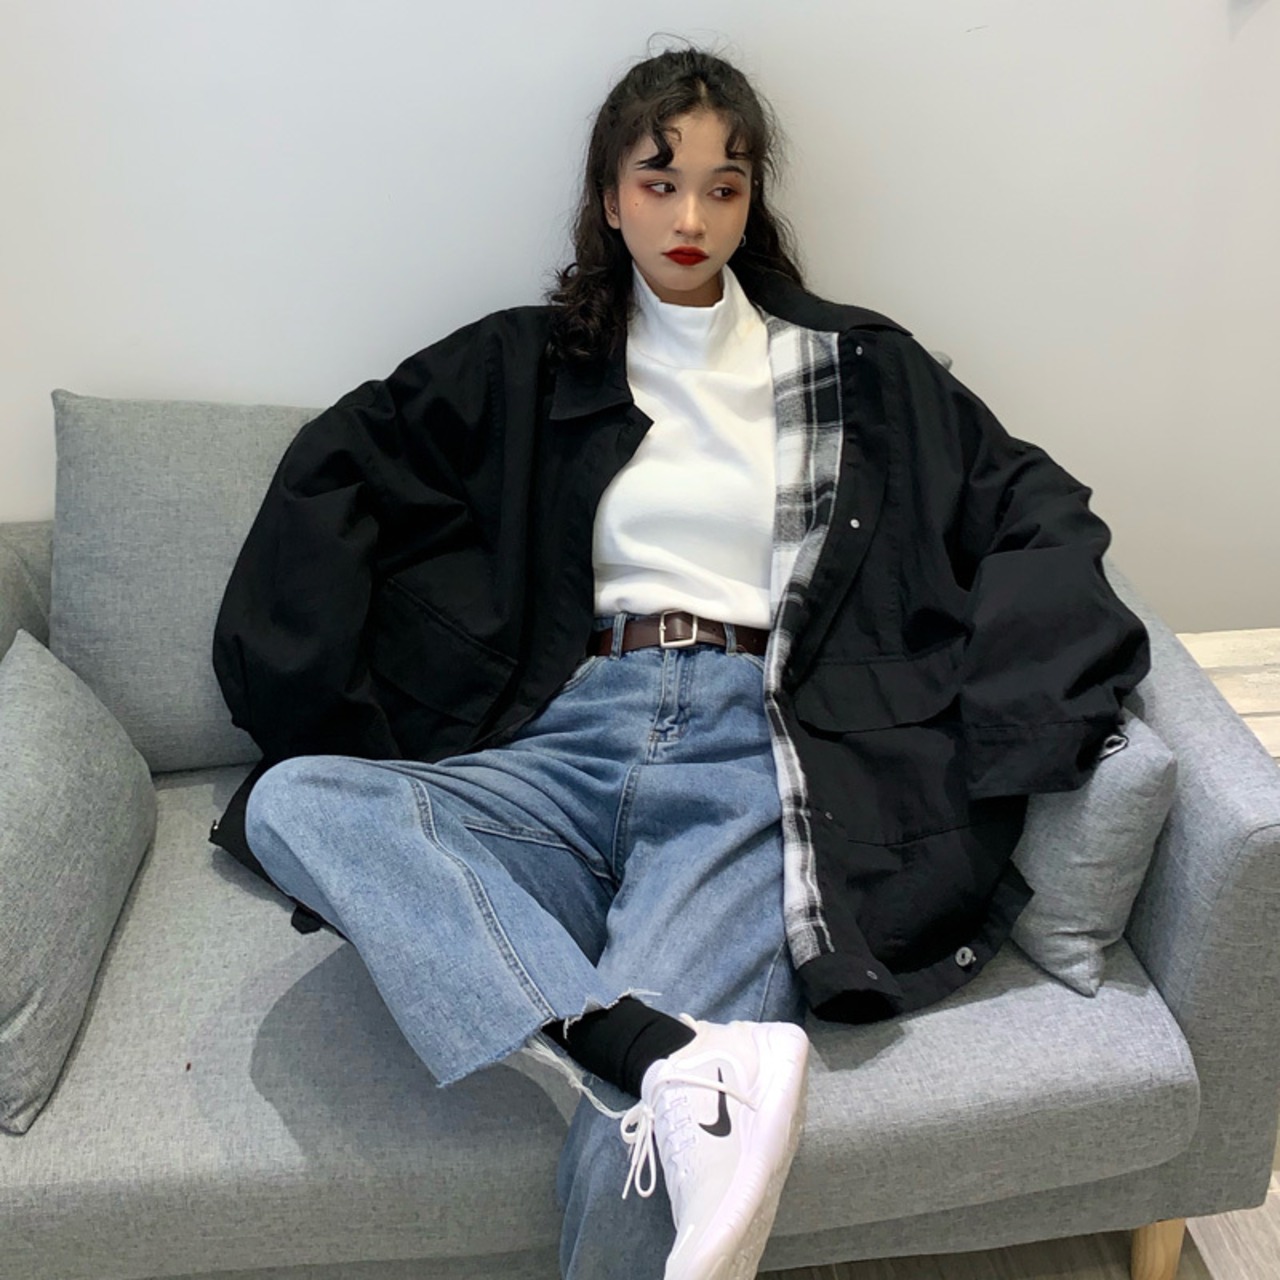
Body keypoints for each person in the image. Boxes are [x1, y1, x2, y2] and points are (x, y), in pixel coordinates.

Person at [209, 43, 1150, 1280]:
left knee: (638, 1150)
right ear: (609, 198)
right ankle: (640, 1044)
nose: (690, 216)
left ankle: (644, 1065)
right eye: (658, 182)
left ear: (752, 200)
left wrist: (1019, 719)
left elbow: (1033, 507)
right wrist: (330, 696)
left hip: (744, 751)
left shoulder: (856, 369)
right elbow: (341, 468)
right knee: (297, 798)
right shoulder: (525, 361)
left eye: (722, 184)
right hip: (562, 741)